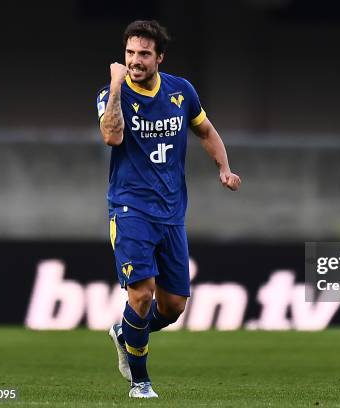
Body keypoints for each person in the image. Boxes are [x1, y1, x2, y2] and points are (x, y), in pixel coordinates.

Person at [97, 20, 241, 398]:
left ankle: (125, 331)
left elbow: (206, 131)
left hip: (172, 212)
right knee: (141, 294)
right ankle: (141, 383)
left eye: (144, 54)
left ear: (159, 57)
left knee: (173, 305)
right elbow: (112, 135)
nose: (135, 61)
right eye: (130, 53)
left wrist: (224, 168)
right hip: (130, 208)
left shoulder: (181, 91)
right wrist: (115, 85)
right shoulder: (111, 94)